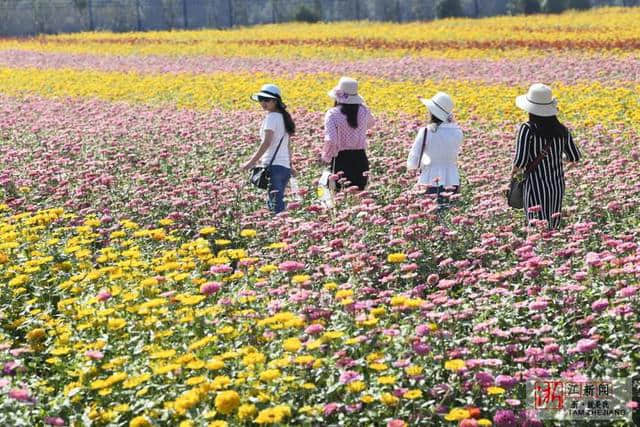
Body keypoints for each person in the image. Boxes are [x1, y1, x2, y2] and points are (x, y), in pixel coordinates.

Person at [512, 83, 581, 229]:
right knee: (553, 224)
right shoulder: (562, 129)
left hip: (535, 185)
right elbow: (574, 157)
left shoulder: (528, 129)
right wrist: (555, 159)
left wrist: (510, 181)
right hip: (556, 185)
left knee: (536, 226)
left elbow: (521, 161)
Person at [242, 83, 296, 214]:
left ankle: (280, 231)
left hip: (273, 166)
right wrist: (290, 164)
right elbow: (287, 145)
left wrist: (251, 162)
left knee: (275, 205)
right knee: (277, 201)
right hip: (284, 168)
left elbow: (266, 142)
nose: (263, 103)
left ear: (275, 101)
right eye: (261, 99)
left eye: (267, 100)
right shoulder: (284, 117)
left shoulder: (271, 117)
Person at [407, 92, 463, 207]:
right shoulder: (457, 131)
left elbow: (414, 157)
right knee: (449, 213)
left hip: (430, 178)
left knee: (431, 214)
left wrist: (414, 167)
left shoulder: (427, 131)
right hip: (452, 178)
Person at [321, 76, 374, 191]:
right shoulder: (364, 110)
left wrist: (326, 157)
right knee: (359, 196)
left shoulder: (333, 114)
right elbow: (371, 123)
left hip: (341, 159)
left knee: (340, 197)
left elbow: (331, 140)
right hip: (360, 157)